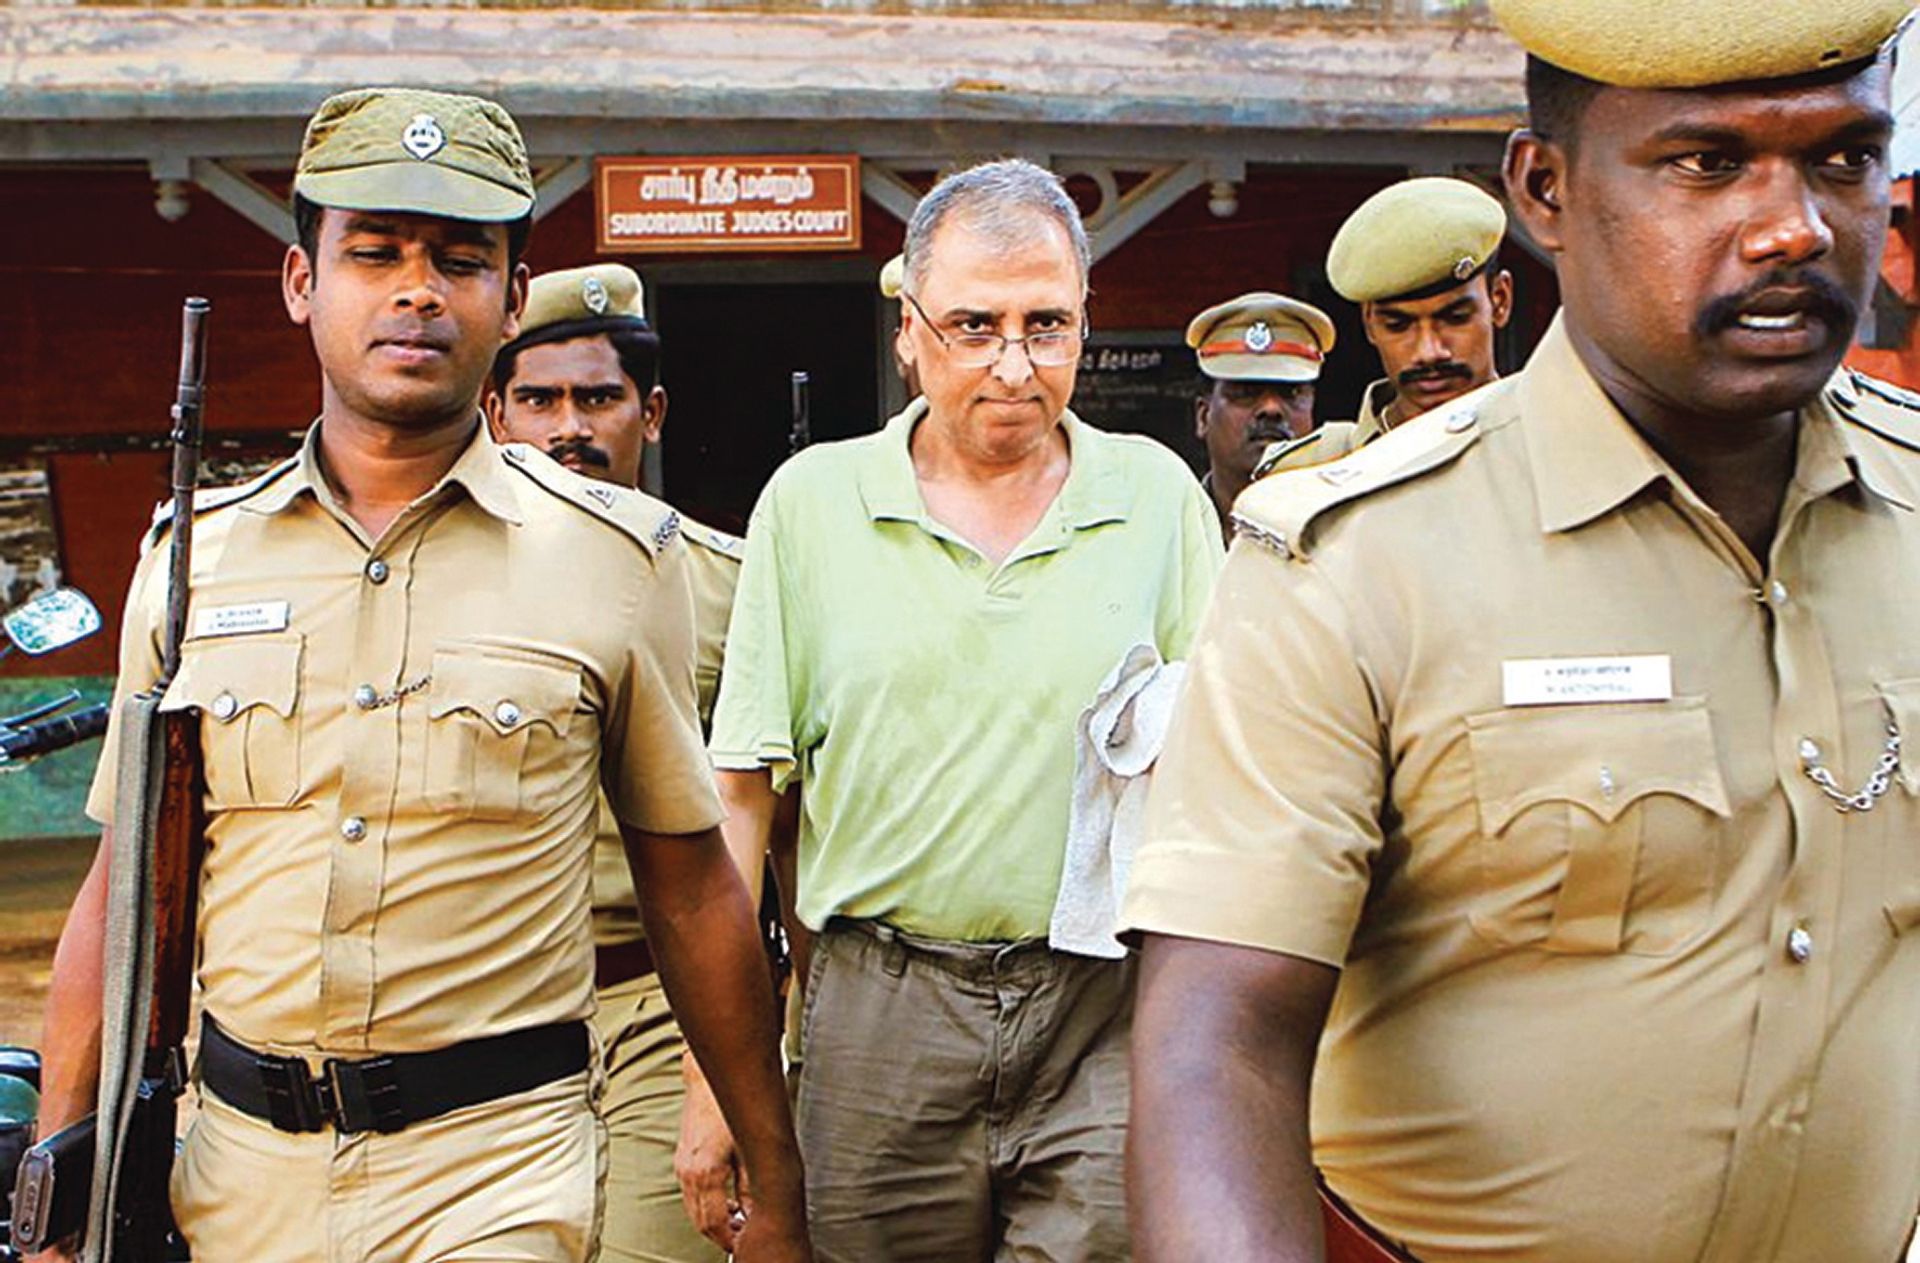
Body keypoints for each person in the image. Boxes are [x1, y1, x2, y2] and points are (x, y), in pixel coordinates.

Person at [1124, 1, 1920, 1260]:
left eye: (1845, 158)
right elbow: (1217, 1047)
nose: (1794, 228)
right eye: (1708, 163)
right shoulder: (1349, 563)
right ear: (1545, 190)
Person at [33, 89, 808, 1263]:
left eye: (459, 259)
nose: (418, 291)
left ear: (510, 297)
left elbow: (692, 887)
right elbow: (123, 889)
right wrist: (59, 1181)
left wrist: (772, 1175)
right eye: (376, 253)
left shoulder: (617, 561)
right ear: (303, 282)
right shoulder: (191, 560)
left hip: (497, 1172)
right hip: (238, 1175)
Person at [695, 158, 1221, 1262]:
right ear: (910, 333)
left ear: (1085, 322)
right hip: (879, 1013)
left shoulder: (1157, 499)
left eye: (1047, 325)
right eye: (975, 326)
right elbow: (741, 804)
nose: (1014, 366)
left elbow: (1221, 782)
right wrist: (717, 1083)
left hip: (1099, 1007)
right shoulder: (812, 506)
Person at [486, 262, 760, 1263]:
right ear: (495, 414)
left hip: (661, 1004)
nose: (570, 428)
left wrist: (743, 1065)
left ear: (651, 413)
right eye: (539, 400)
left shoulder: (734, 590)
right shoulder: (438, 587)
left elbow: (782, 832)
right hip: (486, 1008)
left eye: (599, 398)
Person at [1253, 177, 1510, 479]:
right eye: (1398, 325)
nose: (1429, 352)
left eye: (1455, 318)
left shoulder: (1549, 444)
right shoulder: (1307, 472)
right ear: (1369, 323)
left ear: (1500, 300)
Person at [1185, 292, 1334, 539]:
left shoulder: (1340, 532)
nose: (1271, 408)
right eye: (1246, 392)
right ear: (1203, 416)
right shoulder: (1174, 530)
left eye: (1290, 393)